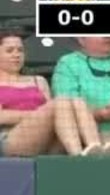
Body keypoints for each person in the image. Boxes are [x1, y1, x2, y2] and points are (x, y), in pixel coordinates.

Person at [0, 29, 72, 157]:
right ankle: (77, 154)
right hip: (10, 137)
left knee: (74, 103)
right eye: (9, 50)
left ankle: (84, 153)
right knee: (60, 104)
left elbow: (54, 114)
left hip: (46, 136)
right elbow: (2, 117)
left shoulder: (39, 81)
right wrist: (40, 115)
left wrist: (45, 115)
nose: (16, 55)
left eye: (20, 50)